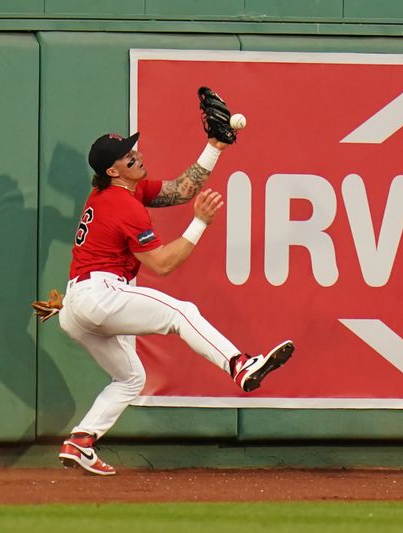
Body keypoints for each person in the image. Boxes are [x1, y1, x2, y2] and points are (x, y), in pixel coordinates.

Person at [46, 130, 295, 476]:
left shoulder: (120, 191)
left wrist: (214, 147)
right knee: (182, 312)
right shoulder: (122, 205)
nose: (136, 154)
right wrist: (200, 223)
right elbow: (162, 264)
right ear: (113, 171)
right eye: (126, 155)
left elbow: (182, 188)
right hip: (99, 293)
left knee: (130, 378)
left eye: (132, 147)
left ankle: (81, 441)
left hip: (77, 305)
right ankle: (240, 365)